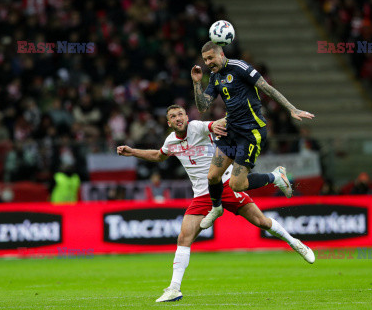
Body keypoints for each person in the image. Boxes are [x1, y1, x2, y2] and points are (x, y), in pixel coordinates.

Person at [117, 105, 315, 303]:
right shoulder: (171, 140)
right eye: (173, 116)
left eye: (180, 114)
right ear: (168, 123)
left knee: (262, 222)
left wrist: (233, 117)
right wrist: (132, 151)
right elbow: (159, 156)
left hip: (226, 183)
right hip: (201, 195)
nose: (178, 118)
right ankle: (174, 289)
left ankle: (294, 242)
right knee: (184, 238)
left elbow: (214, 124)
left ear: (186, 117)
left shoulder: (197, 127)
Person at [191, 41, 315, 229]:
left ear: (221, 54)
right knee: (212, 177)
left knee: (236, 185)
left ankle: (276, 176)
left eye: (211, 57)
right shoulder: (215, 77)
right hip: (230, 129)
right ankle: (217, 208)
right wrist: (197, 83)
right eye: (205, 59)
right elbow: (202, 107)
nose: (208, 62)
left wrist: (291, 108)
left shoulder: (240, 67)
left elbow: (266, 88)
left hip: (251, 132)